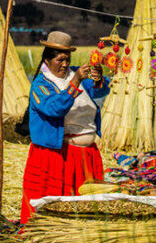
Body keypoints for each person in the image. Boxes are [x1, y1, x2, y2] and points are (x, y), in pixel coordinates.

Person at [20, 31, 110, 224]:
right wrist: (75, 82)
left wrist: (98, 79)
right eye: (60, 60)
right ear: (47, 60)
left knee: (86, 210)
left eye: (67, 59)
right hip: (56, 157)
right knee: (53, 208)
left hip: (87, 156)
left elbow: (101, 90)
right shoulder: (40, 84)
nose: (65, 64)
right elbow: (55, 108)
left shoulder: (76, 74)